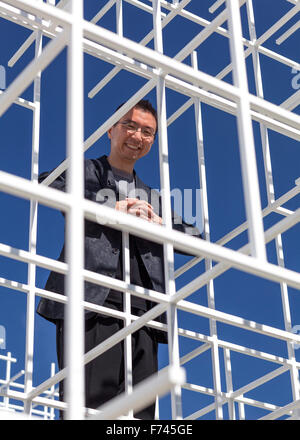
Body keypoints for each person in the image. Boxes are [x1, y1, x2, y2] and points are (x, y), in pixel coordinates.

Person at [37, 99, 201, 419]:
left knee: (140, 412)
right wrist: (108, 209)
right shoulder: (86, 171)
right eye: (130, 126)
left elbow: (197, 240)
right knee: (88, 405)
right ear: (111, 130)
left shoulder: (153, 198)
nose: (137, 136)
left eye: (147, 131)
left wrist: (159, 225)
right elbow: (47, 182)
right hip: (91, 302)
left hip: (143, 310)